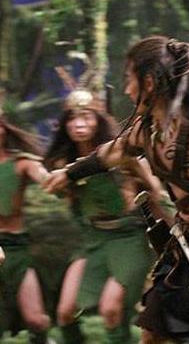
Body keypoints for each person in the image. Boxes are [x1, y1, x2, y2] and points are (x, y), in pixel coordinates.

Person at [43, 36, 189, 344]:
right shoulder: (148, 128)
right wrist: (69, 173)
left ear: (149, 82)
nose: (127, 89)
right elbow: (112, 153)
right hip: (187, 242)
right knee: (152, 333)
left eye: (130, 79)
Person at [44, 89, 154, 344]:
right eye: (73, 118)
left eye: (86, 116)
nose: (79, 124)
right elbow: (66, 201)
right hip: (93, 240)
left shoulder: (120, 153)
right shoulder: (62, 163)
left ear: (99, 120)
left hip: (129, 238)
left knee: (111, 310)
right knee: (65, 311)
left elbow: (154, 191)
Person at [0, 104, 51, 344]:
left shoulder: (22, 163)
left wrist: (58, 178)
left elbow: (45, 178)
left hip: (17, 248)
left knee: (36, 319)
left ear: (5, 130)